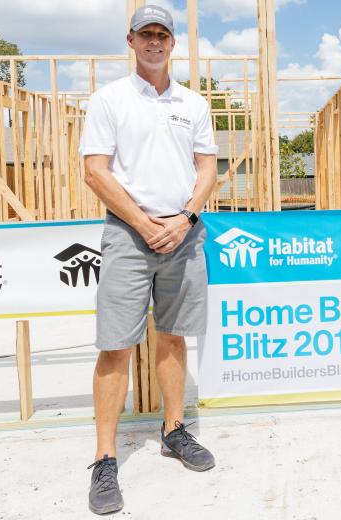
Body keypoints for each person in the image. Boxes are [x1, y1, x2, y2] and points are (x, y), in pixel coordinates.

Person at [78, 5, 218, 515]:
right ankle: (105, 457)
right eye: (145, 35)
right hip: (128, 236)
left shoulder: (192, 104)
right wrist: (142, 223)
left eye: (162, 34)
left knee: (175, 335)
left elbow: (207, 166)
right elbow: (95, 171)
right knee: (116, 346)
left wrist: (185, 217)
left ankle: (174, 430)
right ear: (131, 41)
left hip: (182, 233)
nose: (154, 42)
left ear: (172, 44)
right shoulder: (109, 99)